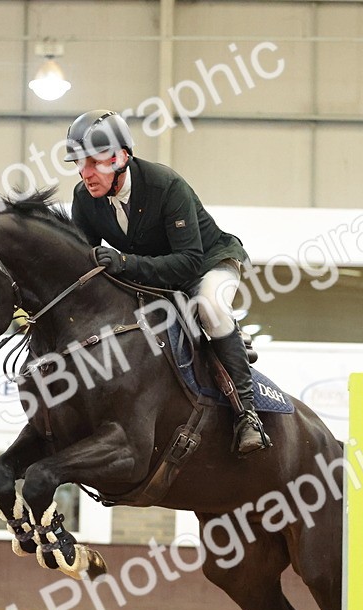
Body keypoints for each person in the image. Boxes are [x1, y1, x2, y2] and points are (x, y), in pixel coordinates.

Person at [65, 109, 271, 456]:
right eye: (80, 165)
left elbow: (188, 262)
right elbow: (84, 263)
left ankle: (247, 416)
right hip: (155, 272)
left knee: (209, 306)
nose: (86, 174)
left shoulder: (165, 185)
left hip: (207, 263)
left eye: (94, 163)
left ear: (121, 158)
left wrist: (125, 263)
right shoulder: (85, 199)